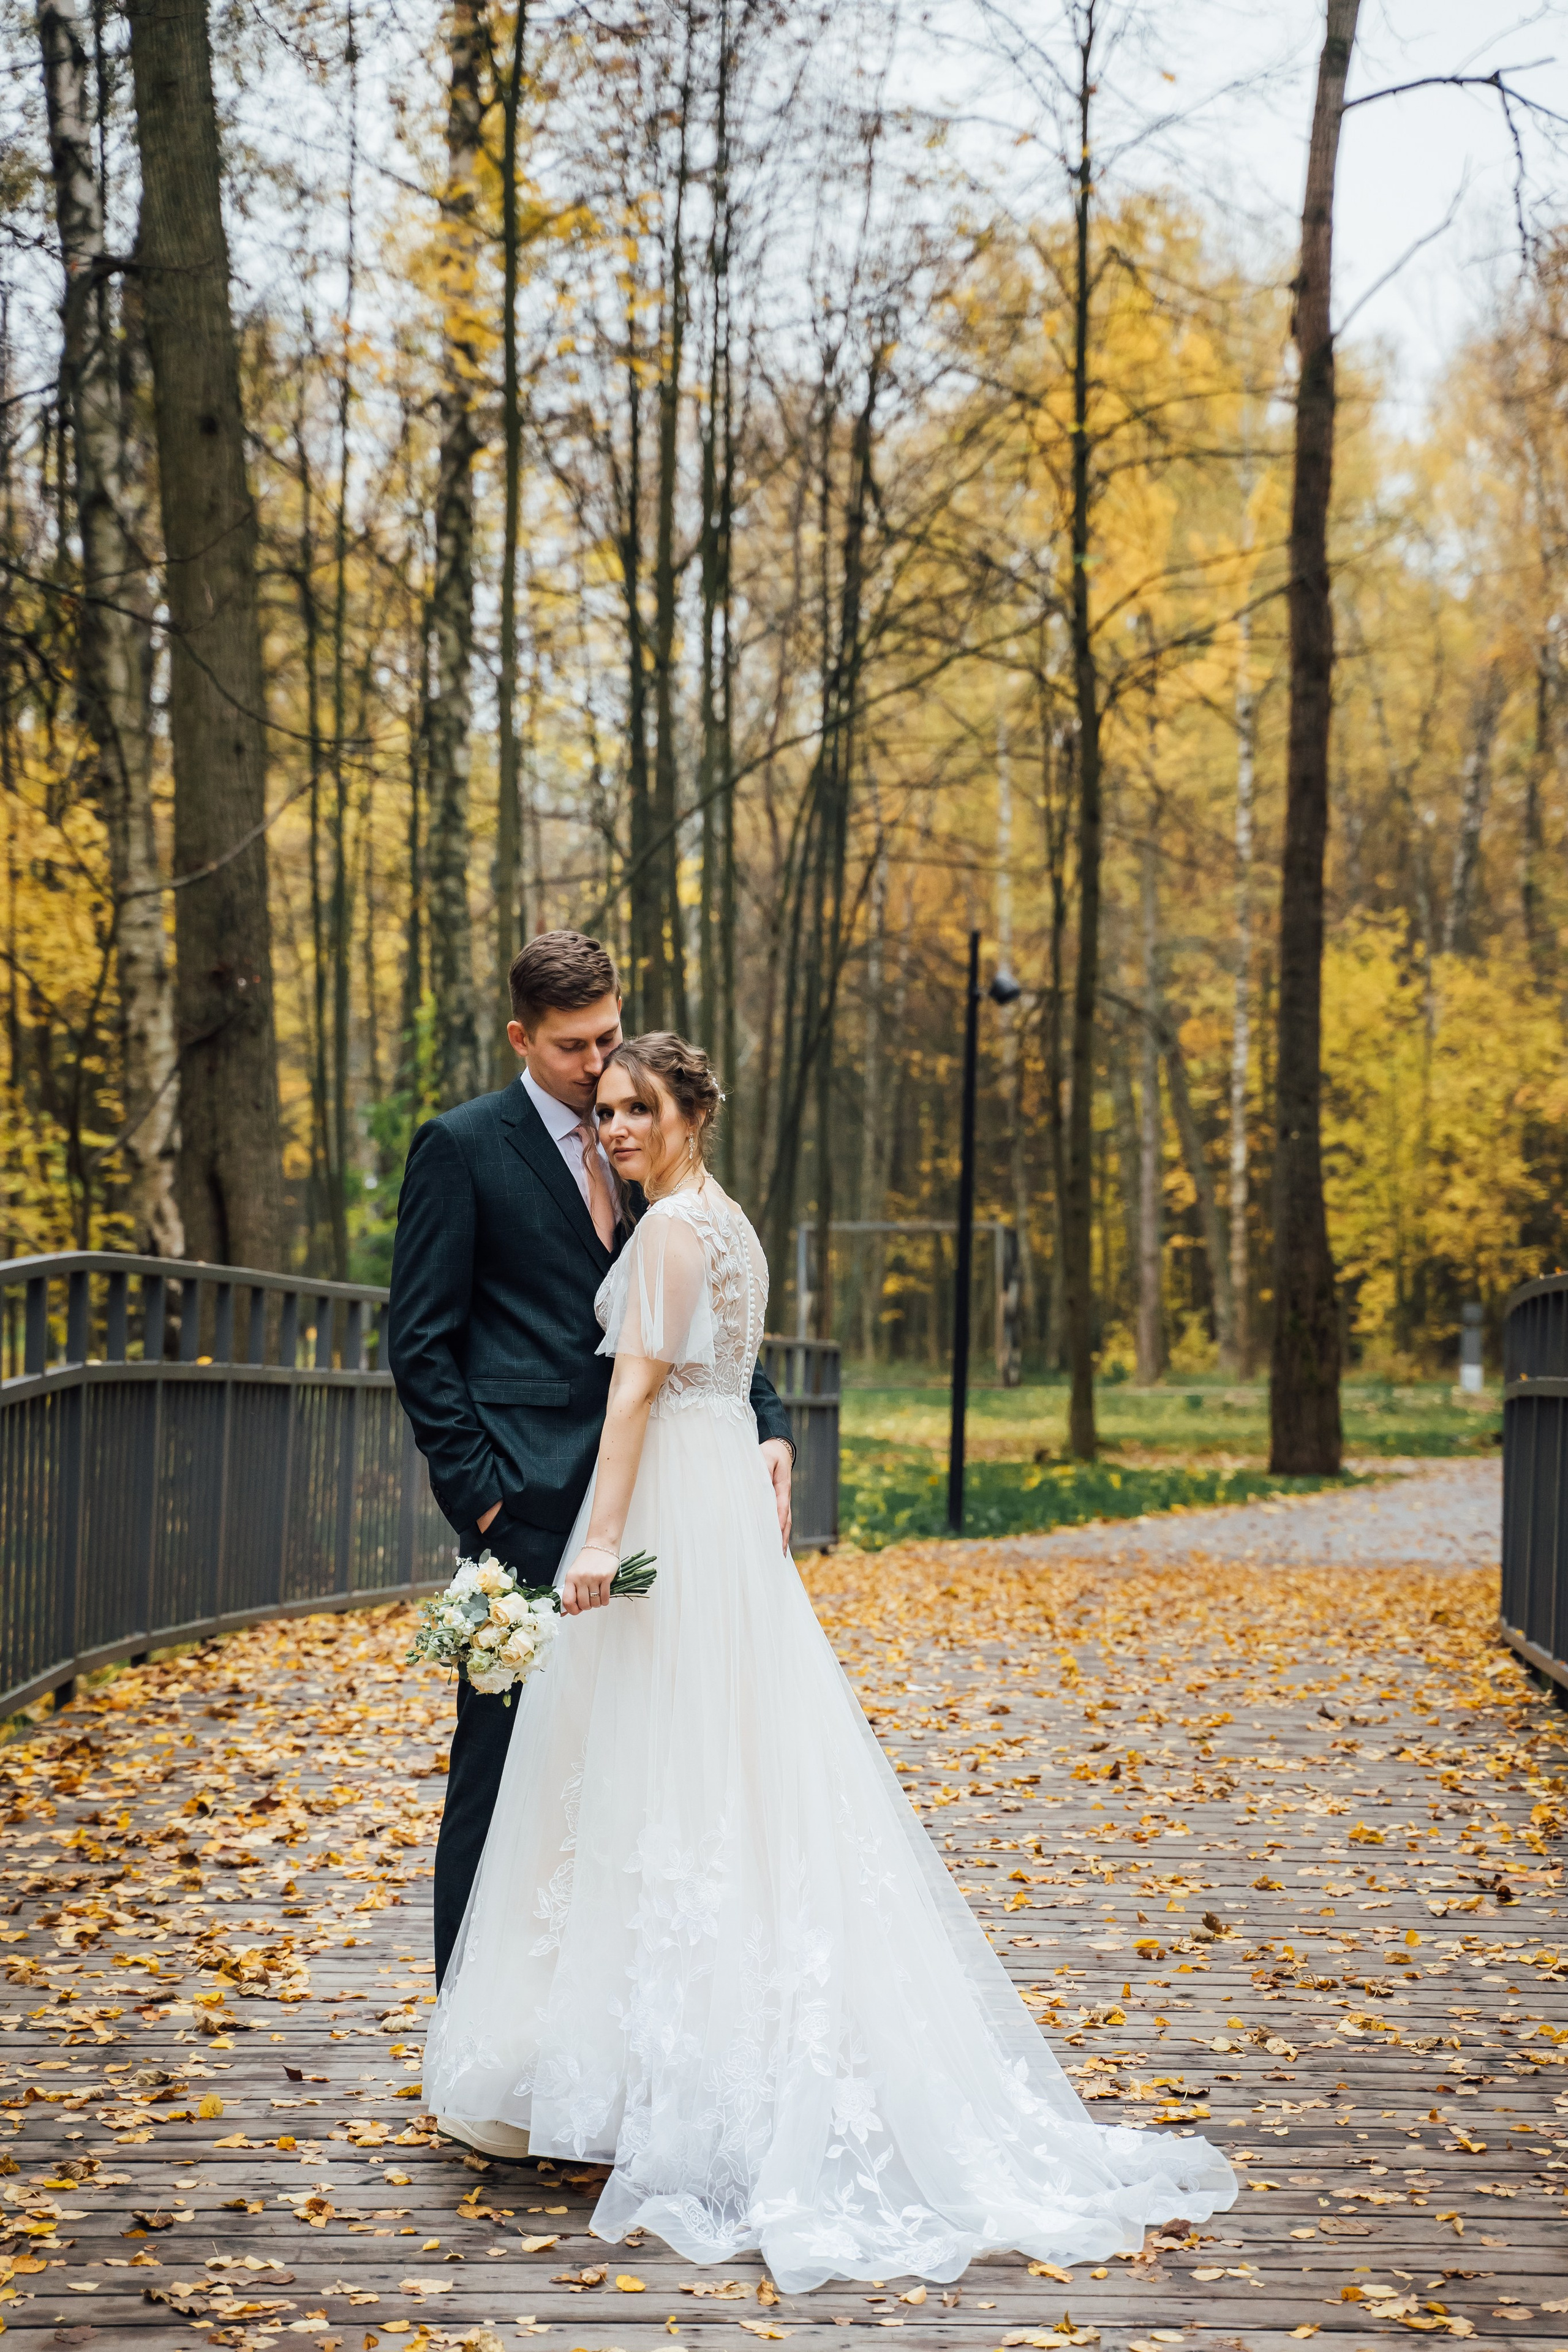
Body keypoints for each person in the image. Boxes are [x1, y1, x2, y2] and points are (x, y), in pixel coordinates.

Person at [423, 1030, 1237, 2291]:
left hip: (662, 1520)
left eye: (639, 1108)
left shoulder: (664, 1236)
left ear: (690, 1111)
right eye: (609, 1107)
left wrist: (590, 1548)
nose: (616, 1125)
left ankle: (661, 2072)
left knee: (655, 1771)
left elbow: (633, 1400)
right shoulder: (726, 1224)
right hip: (717, 1529)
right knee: (718, 1773)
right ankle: (661, 2056)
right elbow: (724, 1379)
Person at [386, 935, 796, 2160]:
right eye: (572, 1050)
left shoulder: (646, 1145)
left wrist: (764, 1429)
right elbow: (422, 1343)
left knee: (640, 1785)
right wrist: (490, 1508)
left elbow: (696, 1321)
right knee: (503, 1780)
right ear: (521, 1039)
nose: (595, 1070)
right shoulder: (461, 1151)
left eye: (610, 1040)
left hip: (658, 1512)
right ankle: (482, 2040)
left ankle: (615, 2053)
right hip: (532, 1518)